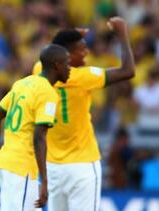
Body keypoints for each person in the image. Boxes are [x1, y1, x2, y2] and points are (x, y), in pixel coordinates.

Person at [32, 17, 135, 211]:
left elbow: (50, 52)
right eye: (82, 49)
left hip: (53, 166)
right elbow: (128, 71)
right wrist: (122, 34)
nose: (87, 52)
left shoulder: (39, 70)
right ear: (68, 57)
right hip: (83, 165)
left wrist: (66, 36)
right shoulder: (84, 77)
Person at [0, 44, 71, 211]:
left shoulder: (22, 84)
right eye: (67, 63)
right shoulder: (47, 93)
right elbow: (39, 137)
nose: (70, 69)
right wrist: (45, 181)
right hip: (21, 166)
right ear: (57, 65)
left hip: (9, 162)